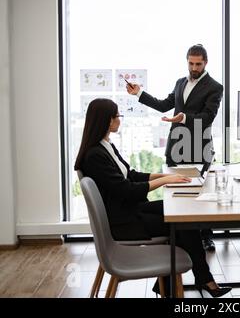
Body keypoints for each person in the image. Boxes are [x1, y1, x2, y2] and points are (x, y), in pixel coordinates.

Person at [74, 98, 231, 297]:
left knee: (181, 213)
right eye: (117, 116)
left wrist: (165, 176)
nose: (119, 120)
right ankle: (203, 280)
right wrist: (165, 181)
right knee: (183, 224)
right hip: (124, 222)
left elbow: (130, 175)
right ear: (106, 120)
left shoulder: (105, 146)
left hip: (130, 209)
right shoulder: (95, 155)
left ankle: (175, 283)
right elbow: (127, 189)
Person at [126, 44, 220, 252]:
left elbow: (208, 117)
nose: (194, 68)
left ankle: (206, 236)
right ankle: (181, 233)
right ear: (187, 61)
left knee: (200, 191)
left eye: (198, 64)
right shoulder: (180, 83)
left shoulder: (215, 87)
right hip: (176, 143)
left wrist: (184, 117)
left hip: (198, 144)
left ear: (205, 63)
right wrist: (139, 93)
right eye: (191, 63)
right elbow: (163, 105)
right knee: (176, 189)